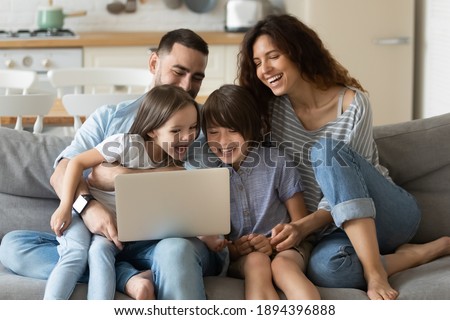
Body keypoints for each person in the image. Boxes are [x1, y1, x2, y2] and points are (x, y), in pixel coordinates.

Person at [237, 14, 450, 300]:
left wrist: (303, 226)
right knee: (328, 271)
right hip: (330, 231)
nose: (265, 69)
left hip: (385, 213)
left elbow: (351, 189)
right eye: (257, 62)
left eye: (273, 56)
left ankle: (376, 273)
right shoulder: (271, 112)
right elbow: (224, 128)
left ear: (298, 51)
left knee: (326, 150)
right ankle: (418, 254)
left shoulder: (352, 104)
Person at [0, 28, 224, 300]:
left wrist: (121, 176)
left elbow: (201, 192)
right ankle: (127, 277)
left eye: (197, 77)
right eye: (179, 72)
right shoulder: (111, 118)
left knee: (174, 251)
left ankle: (122, 272)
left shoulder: (203, 129)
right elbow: (62, 171)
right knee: (13, 246)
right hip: (109, 237)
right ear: (154, 63)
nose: (188, 85)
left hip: (168, 243)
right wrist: (88, 207)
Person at [44, 85, 199, 300]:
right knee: (75, 254)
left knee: (99, 251)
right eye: (176, 131)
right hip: (81, 215)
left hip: (117, 230)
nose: (188, 136)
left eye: (193, 127)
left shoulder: (173, 163)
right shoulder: (125, 143)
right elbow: (77, 162)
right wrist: (64, 207)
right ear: (153, 130)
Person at [200, 84, 320, 300]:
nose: (223, 141)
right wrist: (235, 249)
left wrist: (273, 245)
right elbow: (220, 241)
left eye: (232, 130)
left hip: (287, 249)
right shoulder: (209, 176)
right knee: (257, 262)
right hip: (244, 257)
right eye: (213, 132)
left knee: (283, 267)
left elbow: (300, 222)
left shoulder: (276, 162)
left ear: (251, 128)